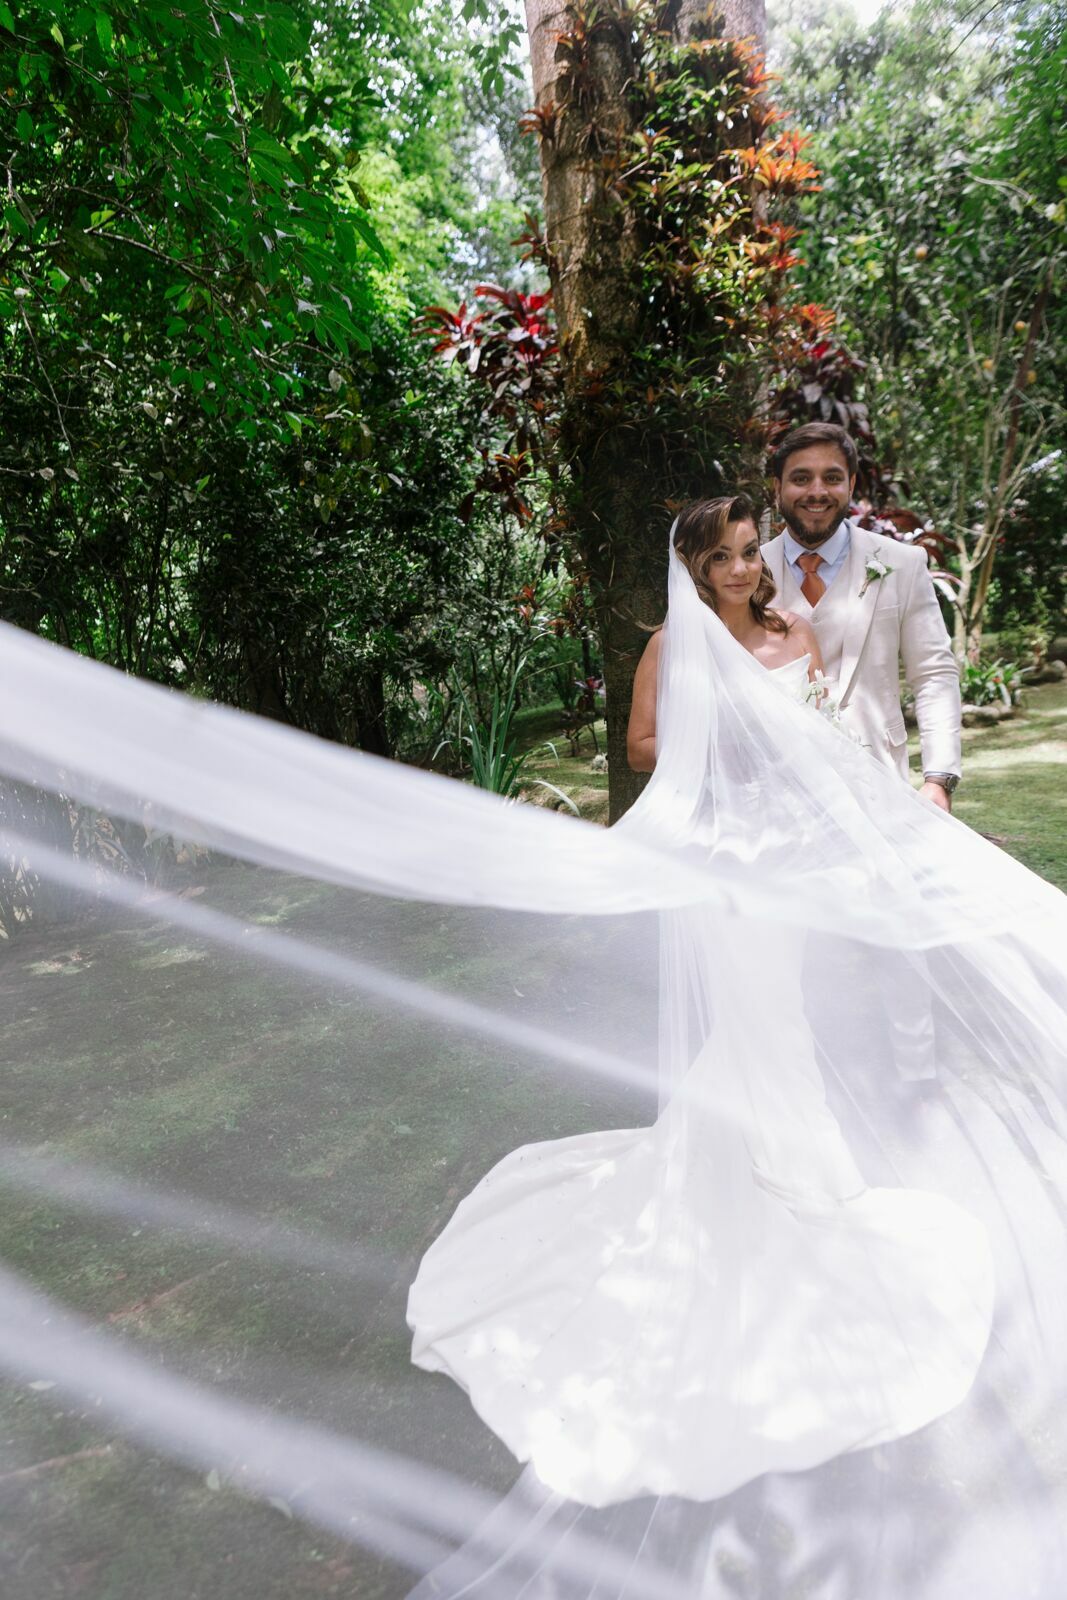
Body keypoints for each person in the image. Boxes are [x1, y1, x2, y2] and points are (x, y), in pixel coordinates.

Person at [759, 422, 961, 810]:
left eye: (831, 478)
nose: (817, 491)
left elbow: (934, 672)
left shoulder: (903, 563)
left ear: (850, 485)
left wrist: (939, 778)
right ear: (778, 488)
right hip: (774, 793)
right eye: (801, 478)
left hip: (880, 786)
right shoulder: (747, 573)